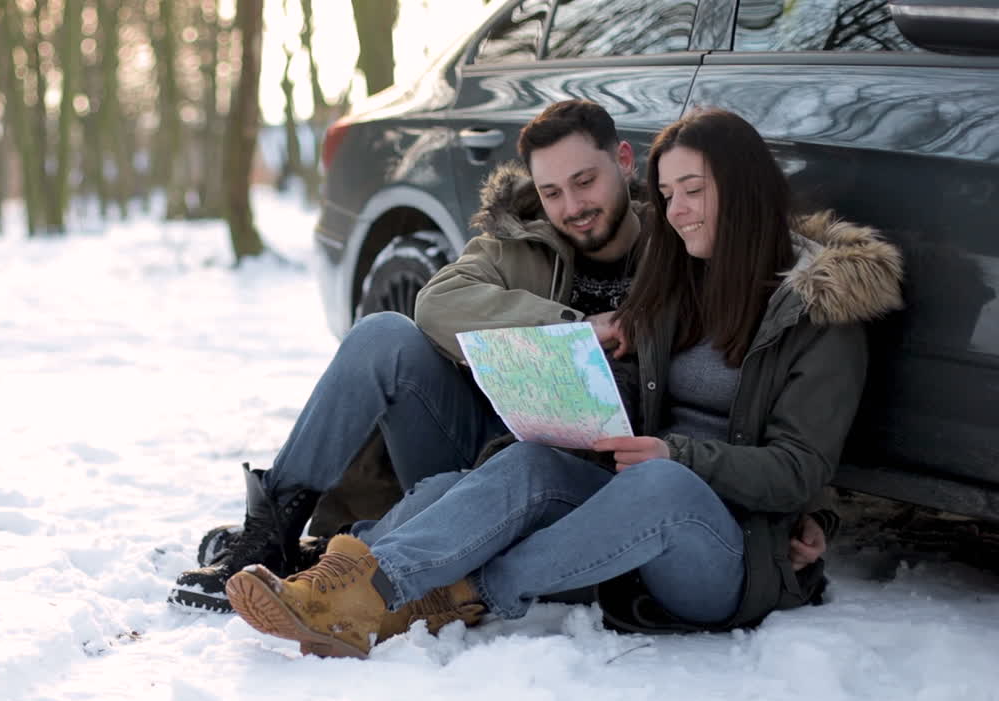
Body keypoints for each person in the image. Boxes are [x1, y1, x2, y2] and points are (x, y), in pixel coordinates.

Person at [222, 107, 904, 659]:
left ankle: (455, 587)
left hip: (729, 540)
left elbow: (800, 465)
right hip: (624, 501)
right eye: (669, 197)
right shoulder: (674, 283)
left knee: (659, 483)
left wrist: (773, 498)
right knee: (530, 461)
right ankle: (358, 585)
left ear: (746, 188)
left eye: (694, 192)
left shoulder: (822, 313)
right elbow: (445, 310)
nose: (679, 211)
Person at [169, 99, 651, 612]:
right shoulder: (520, 241)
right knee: (383, 335)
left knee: (466, 491)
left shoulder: (670, 249)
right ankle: (270, 534)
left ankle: (331, 557)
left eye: (585, 182)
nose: (572, 206)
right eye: (552, 192)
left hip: (581, 479)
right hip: (484, 445)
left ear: (623, 160)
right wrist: (571, 329)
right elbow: (436, 304)